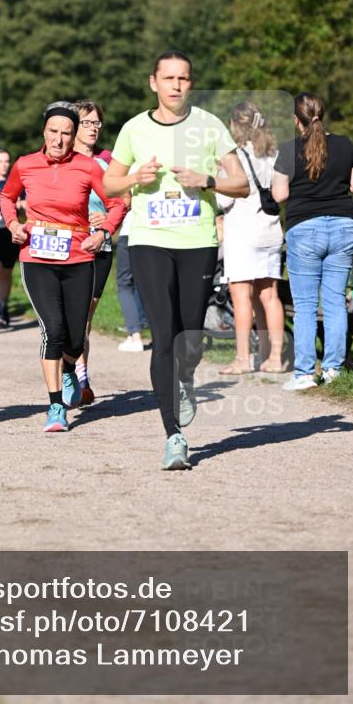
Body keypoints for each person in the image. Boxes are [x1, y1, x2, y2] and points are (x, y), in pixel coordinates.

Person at [104, 52, 249, 470]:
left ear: (191, 83)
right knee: (164, 335)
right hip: (149, 240)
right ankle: (173, 436)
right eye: (168, 78)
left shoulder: (209, 125)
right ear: (153, 82)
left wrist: (206, 180)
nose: (176, 85)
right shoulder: (134, 128)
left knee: (190, 337)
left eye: (183, 78)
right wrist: (135, 179)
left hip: (197, 241)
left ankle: (185, 377)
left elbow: (240, 183)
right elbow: (110, 183)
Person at [0, 102, 126, 433]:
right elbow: (7, 196)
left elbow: (117, 202)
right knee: (53, 330)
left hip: (79, 256)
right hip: (36, 257)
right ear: (44, 131)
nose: (58, 139)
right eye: (53, 132)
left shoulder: (89, 167)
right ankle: (56, 405)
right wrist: (13, 224)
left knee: (74, 336)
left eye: (66, 133)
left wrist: (102, 232)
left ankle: (70, 368)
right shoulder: (25, 164)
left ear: (74, 136)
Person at [272, 92, 353, 388]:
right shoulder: (345, 144)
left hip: (305, 230)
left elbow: (280, 195)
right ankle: (333, 369)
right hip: (343, 227)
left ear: (295, 120)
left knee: (305, 304)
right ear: (320, 115)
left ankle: (303, 373)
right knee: (336, 300)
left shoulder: (288, 150)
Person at [215, 101, 285, 374]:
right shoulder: (274, 154)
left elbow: (223, 200)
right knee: (270, 296)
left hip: (243, 232)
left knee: (241, 296)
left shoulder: (234, 157)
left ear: (236, 125)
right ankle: (274, 358)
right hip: (271, 230)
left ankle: (243, 359)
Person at [71, 99, 126, 404]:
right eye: (87, 123)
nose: (93, 129)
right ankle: (70, 374)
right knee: (68, 318)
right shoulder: (62, 159)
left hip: (100, 246)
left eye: (97, 123)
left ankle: (81, 377)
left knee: (84, 318)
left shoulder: (108, 161)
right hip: (67, 248)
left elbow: (124, 199)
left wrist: (107, 220)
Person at [0, 148, 21, 327]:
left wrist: (19, 203)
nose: (4, 164)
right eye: (0, 161)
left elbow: (26, 202)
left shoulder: (15, 181)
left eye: (7, 161)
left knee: (6, 272)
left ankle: (4, 305)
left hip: (10, 232)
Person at [115, 208, 149, 352]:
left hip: (131, 231)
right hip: (155, 235)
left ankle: (135, 337)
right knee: (146, 283)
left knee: (124, 284)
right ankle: (156, 335)